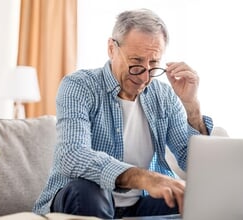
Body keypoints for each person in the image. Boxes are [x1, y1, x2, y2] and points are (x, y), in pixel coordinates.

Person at [33, 8, 212, 219]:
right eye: (136, 62)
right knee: (90, 191)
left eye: (153, 64)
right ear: (112, 48)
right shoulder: (79, 86)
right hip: (84, 197)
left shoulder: (164, 95)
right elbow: (72, 155)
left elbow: (193, 163)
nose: (145, 77)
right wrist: (145, 178)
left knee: (193, 200)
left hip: (138, 205)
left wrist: (191, 105)